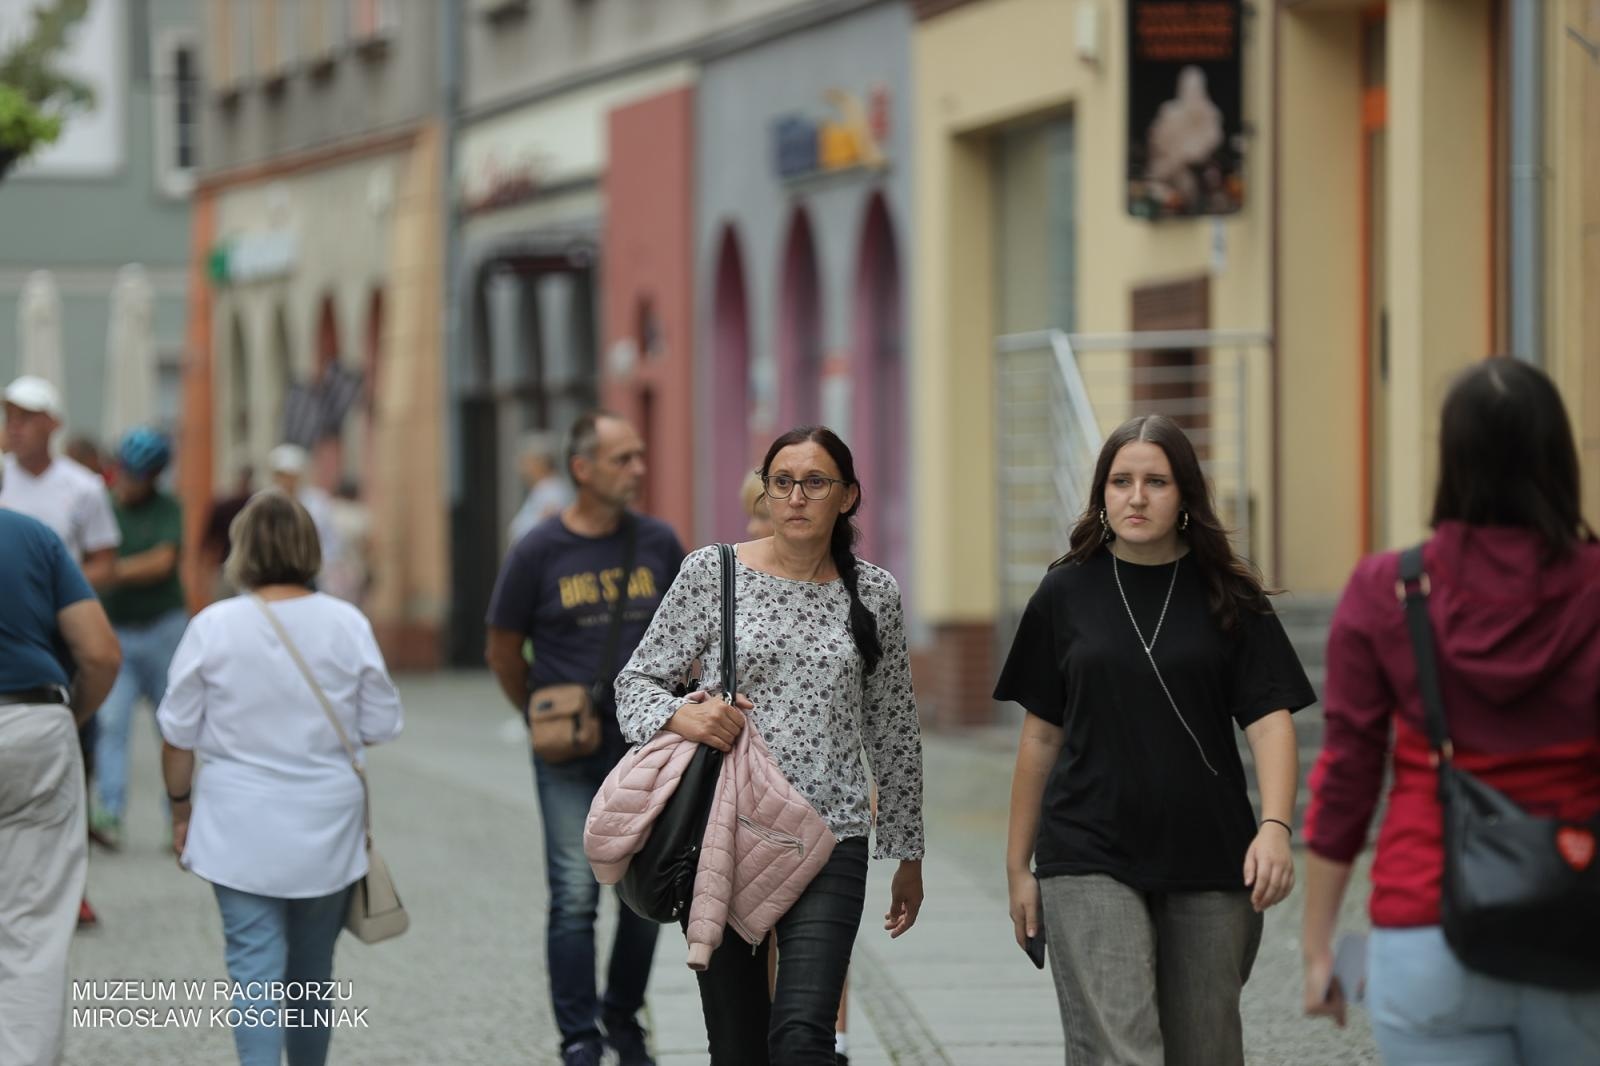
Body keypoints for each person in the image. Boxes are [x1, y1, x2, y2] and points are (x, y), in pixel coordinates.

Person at [1301, 358, 1600, 1064]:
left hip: (1426, 924)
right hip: (1585, 925)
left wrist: (1317, 946)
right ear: (1559, 455)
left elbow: (1347, 775)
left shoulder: (1388, 590)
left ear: (1451, 459)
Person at [995, 413, 1312, 1066]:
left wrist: (1276, 826)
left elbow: (1270, 719)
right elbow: (1041, 739)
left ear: (1186, 496)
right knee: (1124, 1049)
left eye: (1156, 481)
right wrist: (1017, 867)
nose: (1136, 497)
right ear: (1101, 495)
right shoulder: (1065, 592)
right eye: (1121, 481)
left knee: (1207, 1048)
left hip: (1210, 852)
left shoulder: (1230, 595)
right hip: (1087, 848)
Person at [616, 425, 926, 1066]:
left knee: (802, 1038)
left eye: (815, 483)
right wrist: (687, 718)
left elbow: (893, 726)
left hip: (831, 835)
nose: (795, 498)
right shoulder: (714, 572)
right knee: (736, 1048)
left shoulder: (874, 592)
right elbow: (635, 683)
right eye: (781, 482)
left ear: (847, 497)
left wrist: (907, 853)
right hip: (728, 832)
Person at [157, 490, 403, 1066]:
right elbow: (382, 723)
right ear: (310, 547)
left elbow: (177, 734)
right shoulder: (347, 624)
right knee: (313, 974)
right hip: (326, 821)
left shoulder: (211, 626)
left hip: (235, 821)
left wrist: (179, 809)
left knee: (253, 971)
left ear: (240, 550)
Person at [484, 410, 686, 1066]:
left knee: (646, 891)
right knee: (574, 892)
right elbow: (502, 646)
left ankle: (622, 1018)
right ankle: (579, 1038)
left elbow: (691, 635)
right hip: (568, 749)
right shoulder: (539, 550)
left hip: (647, 749)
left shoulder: (658, 543)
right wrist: (537, 713)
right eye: (623, 458)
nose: (638, 469)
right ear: (582, 469)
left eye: (638, 456)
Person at [0, 480, 121, 1066]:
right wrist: (65, 720)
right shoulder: (35, 538)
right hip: (32, 722)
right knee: (32, 927)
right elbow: (100, 654)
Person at [3, 373, 121, 926]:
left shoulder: (83, 487)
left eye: (26, 417)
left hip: (63, 636)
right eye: (9, 417)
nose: (15, 428)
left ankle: (71, 883)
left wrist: (60, 587)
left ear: (52, 424)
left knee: (78, 759)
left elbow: (104, 559)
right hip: (17, 628)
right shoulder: (1, 478)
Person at [91, 428, 188, 849]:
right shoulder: (101, 504)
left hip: (164, 628)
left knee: (173, 724)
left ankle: (177, 819)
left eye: (137, 476)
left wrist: (113, 571)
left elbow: (163, 562)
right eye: (124, 473)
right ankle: (110, 813)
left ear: (153, 478)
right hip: (118, 632)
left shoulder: (168, 509)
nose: (127, 482)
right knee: (112, 723)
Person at [268, 443, 339, 568]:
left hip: (310, 571)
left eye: (291, 475)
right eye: (282, 475)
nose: (287, 480)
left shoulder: (318, 503)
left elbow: (331, 541)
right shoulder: (262, 503)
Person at [508, 430, 575, 547]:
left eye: (525, 462)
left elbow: (549, 536)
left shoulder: (553, 493)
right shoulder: (542, 490)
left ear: (541, 462)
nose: (521, 469)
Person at [202, 464, 255, 599]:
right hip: (226, 568)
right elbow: (210, 542)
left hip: (253, 571)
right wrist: (206, 573)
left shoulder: (257, 505)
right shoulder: (224, 506)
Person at [321, 480, 372, 607]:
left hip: (330, 566)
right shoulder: (360, 514)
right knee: (352, 605)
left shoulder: (329, 510)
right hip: (353, 567)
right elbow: (368, 544)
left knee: (332, 603)